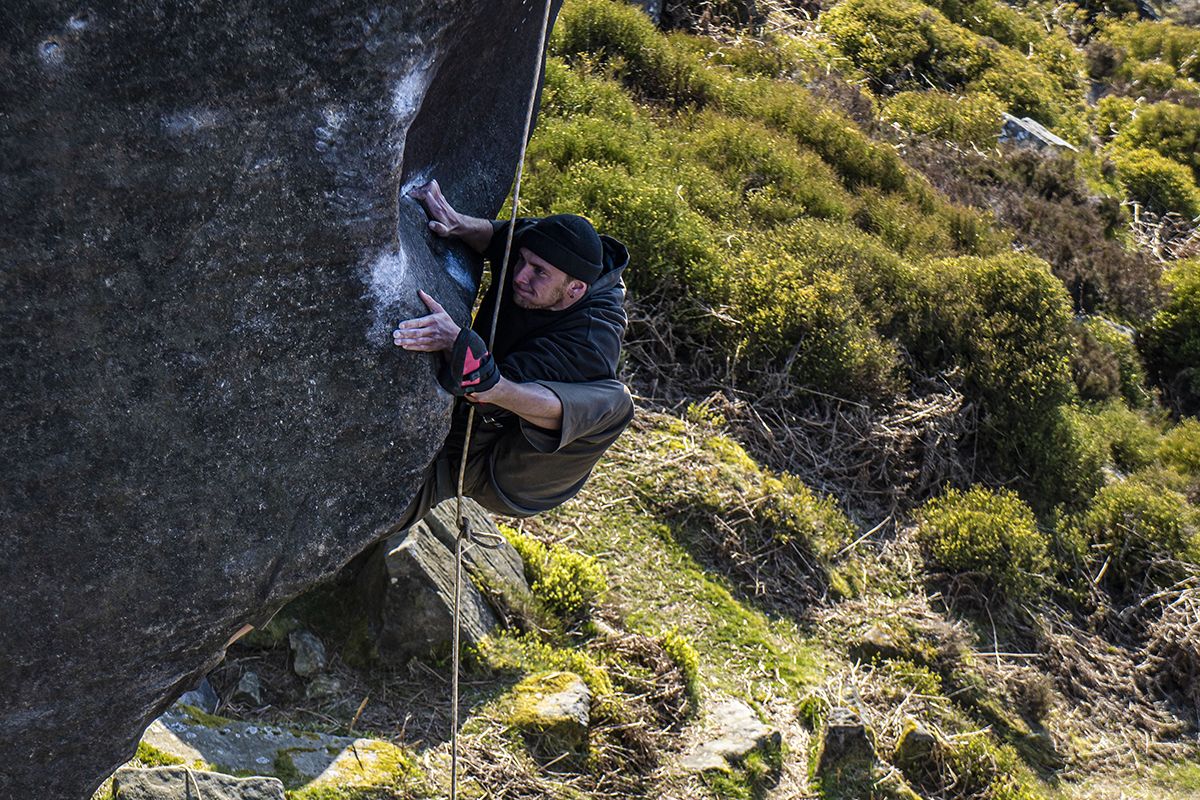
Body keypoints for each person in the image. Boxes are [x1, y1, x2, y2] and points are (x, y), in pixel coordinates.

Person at [388, 180, 634, 531]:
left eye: (538, 273)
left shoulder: (588, 342)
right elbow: (509, 236)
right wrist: (459, 223)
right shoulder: (550, 253)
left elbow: (486, 393)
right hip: (490, 392)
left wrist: (456, 344)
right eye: (522, 262)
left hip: (507, 467)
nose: (519, 275)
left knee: (616, 403)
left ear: (575, 290)